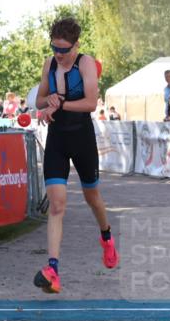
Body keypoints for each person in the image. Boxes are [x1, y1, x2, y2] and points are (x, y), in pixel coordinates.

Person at [33, 17, 119, 294]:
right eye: (55, 48)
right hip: (57, 138)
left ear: (76, 45)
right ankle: (53, 270)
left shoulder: (86, 63)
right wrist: (50, 102)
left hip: (82, 137)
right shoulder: (49, 64)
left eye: (64, 49)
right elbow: (38, 100)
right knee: (57, 205)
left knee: (92, 197)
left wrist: (62, 102)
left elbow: (91, 103)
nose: (59, 55)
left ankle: (106, 235)